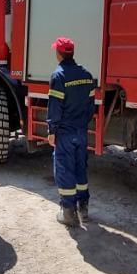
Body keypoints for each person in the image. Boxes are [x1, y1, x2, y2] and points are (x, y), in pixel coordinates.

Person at [47, 37, 96, 227]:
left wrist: (52, 130)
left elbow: (55, 108)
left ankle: (68, 213)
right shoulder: (87, 75)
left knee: (65, 170)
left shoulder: (58, 76)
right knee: (80, 168)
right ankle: (83, 208)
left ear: (58, 54)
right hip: (81, 131)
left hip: (65, 133)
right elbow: (90, 106)